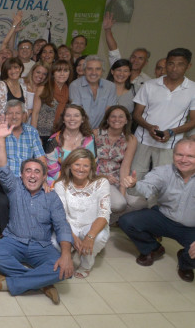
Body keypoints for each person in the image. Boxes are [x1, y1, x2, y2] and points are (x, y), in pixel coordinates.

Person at [0, 115, 74, 304]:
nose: (32, 175)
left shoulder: (51, 196)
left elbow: (61, 225)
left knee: (64, 269)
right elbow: (2, 166)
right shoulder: (15, 187)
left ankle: (9, 283)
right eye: (28, 171)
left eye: (37, 172)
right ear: (22, 175)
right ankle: (41, 282)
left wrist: (66, 254)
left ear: (44, 178)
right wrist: (0, 139)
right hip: (13, 241)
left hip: (40, 246)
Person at [119, 137, 195, 282]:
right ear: (173, 155)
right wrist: (134, 185)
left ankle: (185, 263)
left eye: (190, 156)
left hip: (191, 227)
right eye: (179, 155)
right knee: (127, 221)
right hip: (164, 217)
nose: (183, 160)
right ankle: (152, 248)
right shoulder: (164, 171)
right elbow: (148, 187)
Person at [131, 48, 195, 181]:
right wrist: (149, 127)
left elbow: (193, 121)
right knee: (134, 178)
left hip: (171, 143)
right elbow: (136, 114)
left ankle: (154, 203)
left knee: (163, 182)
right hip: (143, 140)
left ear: (188, 66)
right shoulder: (149, 85)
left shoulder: (193, 89)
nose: (174, 68)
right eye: (171, 63)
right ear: (166, 64)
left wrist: (171, 132)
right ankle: (133, 202)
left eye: (180, 64)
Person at [53, 148, 111, 278]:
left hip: (92, 225)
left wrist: (90, 237)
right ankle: (74, 248)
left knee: (99, 237)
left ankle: (86, 265)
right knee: (54, 243)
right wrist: (72, 237)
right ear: (69, 166)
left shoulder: (101, 183)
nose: (81, 169)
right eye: (77, 164)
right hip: (70, 224)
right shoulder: (60, 185)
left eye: (86, 165)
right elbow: (61, 216)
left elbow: (104, 213)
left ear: (91, 168)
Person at [94, 106, 145, 217]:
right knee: (119, 204)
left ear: (126, 120)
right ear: (107, 119)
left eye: (121, 117)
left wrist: (122, 190)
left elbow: (125, 166)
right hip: (97, 177)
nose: (117, 119)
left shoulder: (130, 139)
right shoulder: (96, 134)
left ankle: (111, 218)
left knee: (141, 203)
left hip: (117, 178)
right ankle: (104, 217)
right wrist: (103, 176)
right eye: (113, 116)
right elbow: (87, 162)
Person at [0, 100, 46, 178]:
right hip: (3, 180)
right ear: (5, 115)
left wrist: (43, 180)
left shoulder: (32, 132)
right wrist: (2, 179)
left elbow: (41, 160)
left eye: (18, 113)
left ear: (24, 115)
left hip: (28, 181)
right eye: (10, 113)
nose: (14, 117)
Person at [44, 104, 95, 186]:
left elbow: (93, 164)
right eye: (68, 115)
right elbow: (51, 169)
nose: (72, 119)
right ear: (63, 119)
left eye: (76, 116)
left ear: (82, 119)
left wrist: (81, 181)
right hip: (58, 179)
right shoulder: (54, 140)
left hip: (83, 178)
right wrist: (71, 182)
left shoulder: (89, 139)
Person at [102, 12, 152, 90]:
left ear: (146, 63)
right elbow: (113, 50)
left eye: (140, 58)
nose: (136, 60)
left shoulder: (148, 81)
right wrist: (108, 30)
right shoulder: (119, 67)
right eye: (133, 57)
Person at [69, 55, 117, 129]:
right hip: (79, 130)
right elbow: (76, 112)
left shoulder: (110, 87)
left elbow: (110, 112)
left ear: (102, 71)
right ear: (84, 70)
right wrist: (88, 133)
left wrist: (99, 131)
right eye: (89, 69)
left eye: (98, 69)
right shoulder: (75, 86)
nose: (93, 72)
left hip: (102, 130)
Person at [32, 59, 72, 145]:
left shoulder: (69, 90)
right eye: (58, 71)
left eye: (65, 71)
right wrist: (34, 136)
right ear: (53, 73)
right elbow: (35, 114)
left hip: (59, 135)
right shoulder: (43, 89)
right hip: (41, 136)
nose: (62, 74)